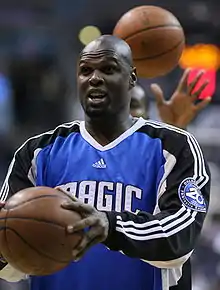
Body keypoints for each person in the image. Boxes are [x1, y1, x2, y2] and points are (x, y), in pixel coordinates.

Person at [0, 35, 210, 290]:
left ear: (132, 78)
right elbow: (11, 266)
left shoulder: (175, 146)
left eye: (108, 69)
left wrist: (110, 226)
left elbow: (180, 237)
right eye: (85, 70)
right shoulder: (37, 151)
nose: (95, 78)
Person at [130, 69, 211, 128]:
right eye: (117, 104)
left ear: (147, 116)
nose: (123, 111)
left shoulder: (156, 148)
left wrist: (175, 129)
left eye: (132, 105)